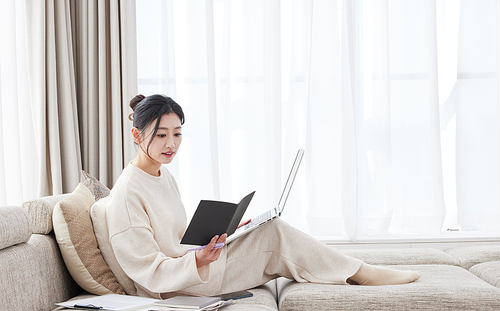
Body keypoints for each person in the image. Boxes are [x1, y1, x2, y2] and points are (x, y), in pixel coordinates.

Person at [105, 94, 420, 299]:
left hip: (195, 266)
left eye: (177, 134)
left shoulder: (162, 174)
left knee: (266, 228)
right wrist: (198, 260)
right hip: (178, 286)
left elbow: (175, 239)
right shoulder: (128, 191)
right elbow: (148, 271)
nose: (171, 144)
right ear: (137, 135)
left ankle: (356, 271)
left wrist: (227, 233)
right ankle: (359, 273)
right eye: (161, 135)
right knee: (274, 234)